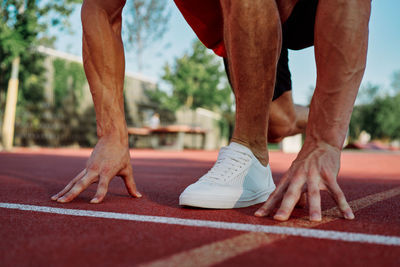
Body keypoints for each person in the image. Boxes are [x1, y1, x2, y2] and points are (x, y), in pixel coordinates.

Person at [51, 0, 371, 222]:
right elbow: (100, 11)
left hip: (307, 9)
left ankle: (248, 154)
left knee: (273, 132)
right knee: (276, 123)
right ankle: (295, 124)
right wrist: (112, 136)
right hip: (241, 18)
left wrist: (324, 139)